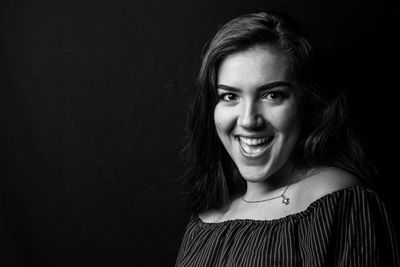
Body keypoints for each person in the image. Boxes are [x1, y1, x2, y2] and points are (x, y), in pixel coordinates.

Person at [175, 11, 399, 267]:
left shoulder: (339, 200)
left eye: (272, 95)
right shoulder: (204, 220)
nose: (248, 120)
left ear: (308, 101)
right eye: (229, 96)